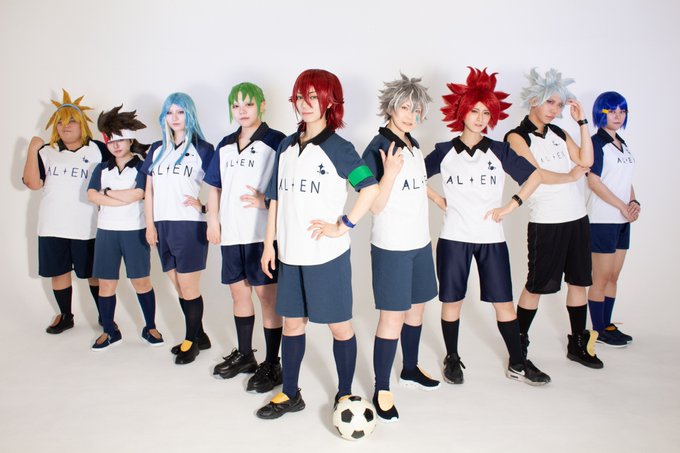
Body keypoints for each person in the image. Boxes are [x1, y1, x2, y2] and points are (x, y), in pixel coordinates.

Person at [256, 69, 379, 419]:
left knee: (339, 327)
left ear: (329, 102)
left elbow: (369, 187)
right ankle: (290, 393)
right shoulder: (285, 146)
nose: (305, 103)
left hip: (326, 256)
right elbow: (276, 198)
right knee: (292, 325)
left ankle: (345, 393)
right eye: (300, 96)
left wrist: (344, 225)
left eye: (314, 96)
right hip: (290, 255)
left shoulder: (339, 148)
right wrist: (269, 245)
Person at [425, 67, 550, 386]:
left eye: (486, 112)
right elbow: (412, 175)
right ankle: (452, 357)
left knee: (503, 303)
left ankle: (517, 362)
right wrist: (438, 199)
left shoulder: (499, 151)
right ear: (461, 111)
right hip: (454, 238)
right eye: (474, 111)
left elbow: (534, 176)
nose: (480, 118)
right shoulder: (444, 152)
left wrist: (511, 205)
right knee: (452, 301)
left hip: (491, 239)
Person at [504, 68, 602, 369]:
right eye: (550, 102)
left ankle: (577, 343)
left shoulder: (559, 133)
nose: (555, 109)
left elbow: (586, 160)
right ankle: (519, 342)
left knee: (579, 281)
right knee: (536, 284)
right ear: (534, 100)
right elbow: (535, 175)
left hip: (577, 218)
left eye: (559, 105)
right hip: (547, 221)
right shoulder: (516, 137)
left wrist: (582, 122)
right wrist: (570, 176)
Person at [361, 74, 438, 422]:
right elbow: (375, 206)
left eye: (416, 110)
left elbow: (417, 185)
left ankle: (410, 368)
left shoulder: (414, 144)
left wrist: (437, 198)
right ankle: (381, 388)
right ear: (390, 107)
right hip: (392, 246)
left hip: (419, 242)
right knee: (392, 318)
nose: (411, 115)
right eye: (405, 108)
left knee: (417, 310)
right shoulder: (378, 148)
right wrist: (389, 173)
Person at [204, 82, 285, 392]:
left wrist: (265, 200)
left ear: (262, 105)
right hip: (231, 233)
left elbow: (285, 185)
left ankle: (272, 363)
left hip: (261, 234)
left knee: (267, 298)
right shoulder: (225, 144)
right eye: (236, 105)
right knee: (239, 295)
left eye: (248, 104)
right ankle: (246, 355)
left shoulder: (276, 141)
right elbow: (214, 186)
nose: (242, 111)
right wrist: (213, 220)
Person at [22, 90, 109, 334]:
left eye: (71, 120)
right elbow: (33, 183)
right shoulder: (46, 151)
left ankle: (105, 315)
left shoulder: (98, 150)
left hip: (87, 226)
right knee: (59, 272)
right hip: (53, 225)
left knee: (94, 273)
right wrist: (32, 150)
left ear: (82, 124)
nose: (65, 126)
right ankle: (66, 316)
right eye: (60, 122)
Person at [141, 92, 214, 364]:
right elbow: (149, 191)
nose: (174, 117)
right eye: (170, 112)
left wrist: (204, 207)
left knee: (188, 287)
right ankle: (200, 335)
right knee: (179, 287)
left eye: (180, 112)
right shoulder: (156, 150)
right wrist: (150, 225)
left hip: (188, 226)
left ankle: (190, 342)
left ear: (190, 114)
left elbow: (221, 186)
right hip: (162, 225)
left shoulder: (203, 149)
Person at [87, 106, 163, 350]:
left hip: (135, 230)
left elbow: (138, 194)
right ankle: (110, 331)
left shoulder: (142, 166)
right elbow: (92, 196)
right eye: (111, 141)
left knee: (141, 281)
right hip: (106, 232)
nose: (116, 146)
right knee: (106, 284)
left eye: (120, 140)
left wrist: (107, 193)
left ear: (130, 140)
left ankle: (150, 326)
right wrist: (122, 197)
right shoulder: (101, 168)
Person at [587, 91, 638, 347]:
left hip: (622, 221)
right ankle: (598, 330)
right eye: (612, 111)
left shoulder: (622, 144)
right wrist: (621, 206)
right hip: (603, 220)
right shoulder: (596, 143)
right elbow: (594, 182)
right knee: (601, 277)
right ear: (601, 113)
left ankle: (607, 325)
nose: (618, 116)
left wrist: (634, 203)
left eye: (622, 111)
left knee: (613, 277)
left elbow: (625, 181)